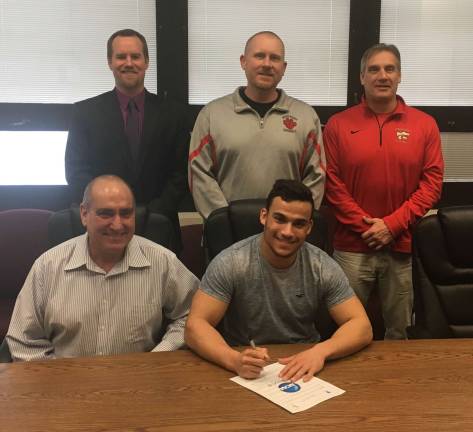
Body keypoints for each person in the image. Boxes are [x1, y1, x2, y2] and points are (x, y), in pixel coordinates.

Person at [185, 179, 372, 382]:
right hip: (245, 364)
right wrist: (234, 360)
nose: (287, 232)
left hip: (304, 363)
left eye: (298, 224)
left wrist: (320, 352)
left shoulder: (321, 265)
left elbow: (361, 325)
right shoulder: (231, 261)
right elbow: (195, 326)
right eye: (280, 219)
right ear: (264, 217)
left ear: (309, 227)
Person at [6, 175, 199, 361]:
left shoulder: (162, 262)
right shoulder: (47, 266)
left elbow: (193, 316)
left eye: (126, 213)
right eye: (106, 213)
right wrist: (57, 377)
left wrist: (158, 358)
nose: (117, 225)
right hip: (64, 383)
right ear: (84, 214)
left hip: (138, 381)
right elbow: (24, 341)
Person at [324, 43, 444, 339]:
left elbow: (431, 184)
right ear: (361, 77)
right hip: (351, 247)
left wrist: (391, 225)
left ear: (399, 76)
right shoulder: (338, 125)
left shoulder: (424, 125)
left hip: (400, 246)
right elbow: (331, 183)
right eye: (374, 69)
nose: (382, 75)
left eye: (390, 68)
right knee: (343, 330)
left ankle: (396, 385)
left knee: (400, 331)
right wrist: (366, 227)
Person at [65, 29, 189, 249]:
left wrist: (150, 215)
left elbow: (181, 173)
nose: (129, 63)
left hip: (159, 226)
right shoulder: (85, 113)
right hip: (104, 228)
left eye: (136, 56)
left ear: (146, 62)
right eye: (121, 57)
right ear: (110, 62)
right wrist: (107, 213)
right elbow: (76, 172)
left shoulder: (174, 114)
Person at [188, 31, 325, 219]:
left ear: (284, 67)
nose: (267, 64)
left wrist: (293, 219)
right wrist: (223, 220)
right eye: (259, 56)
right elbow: (199, 175)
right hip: (228, 234)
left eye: (274, 58)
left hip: (286, 234)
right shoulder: (211, 115)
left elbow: (316, 177)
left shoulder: (306, 117)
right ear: (243, 61)